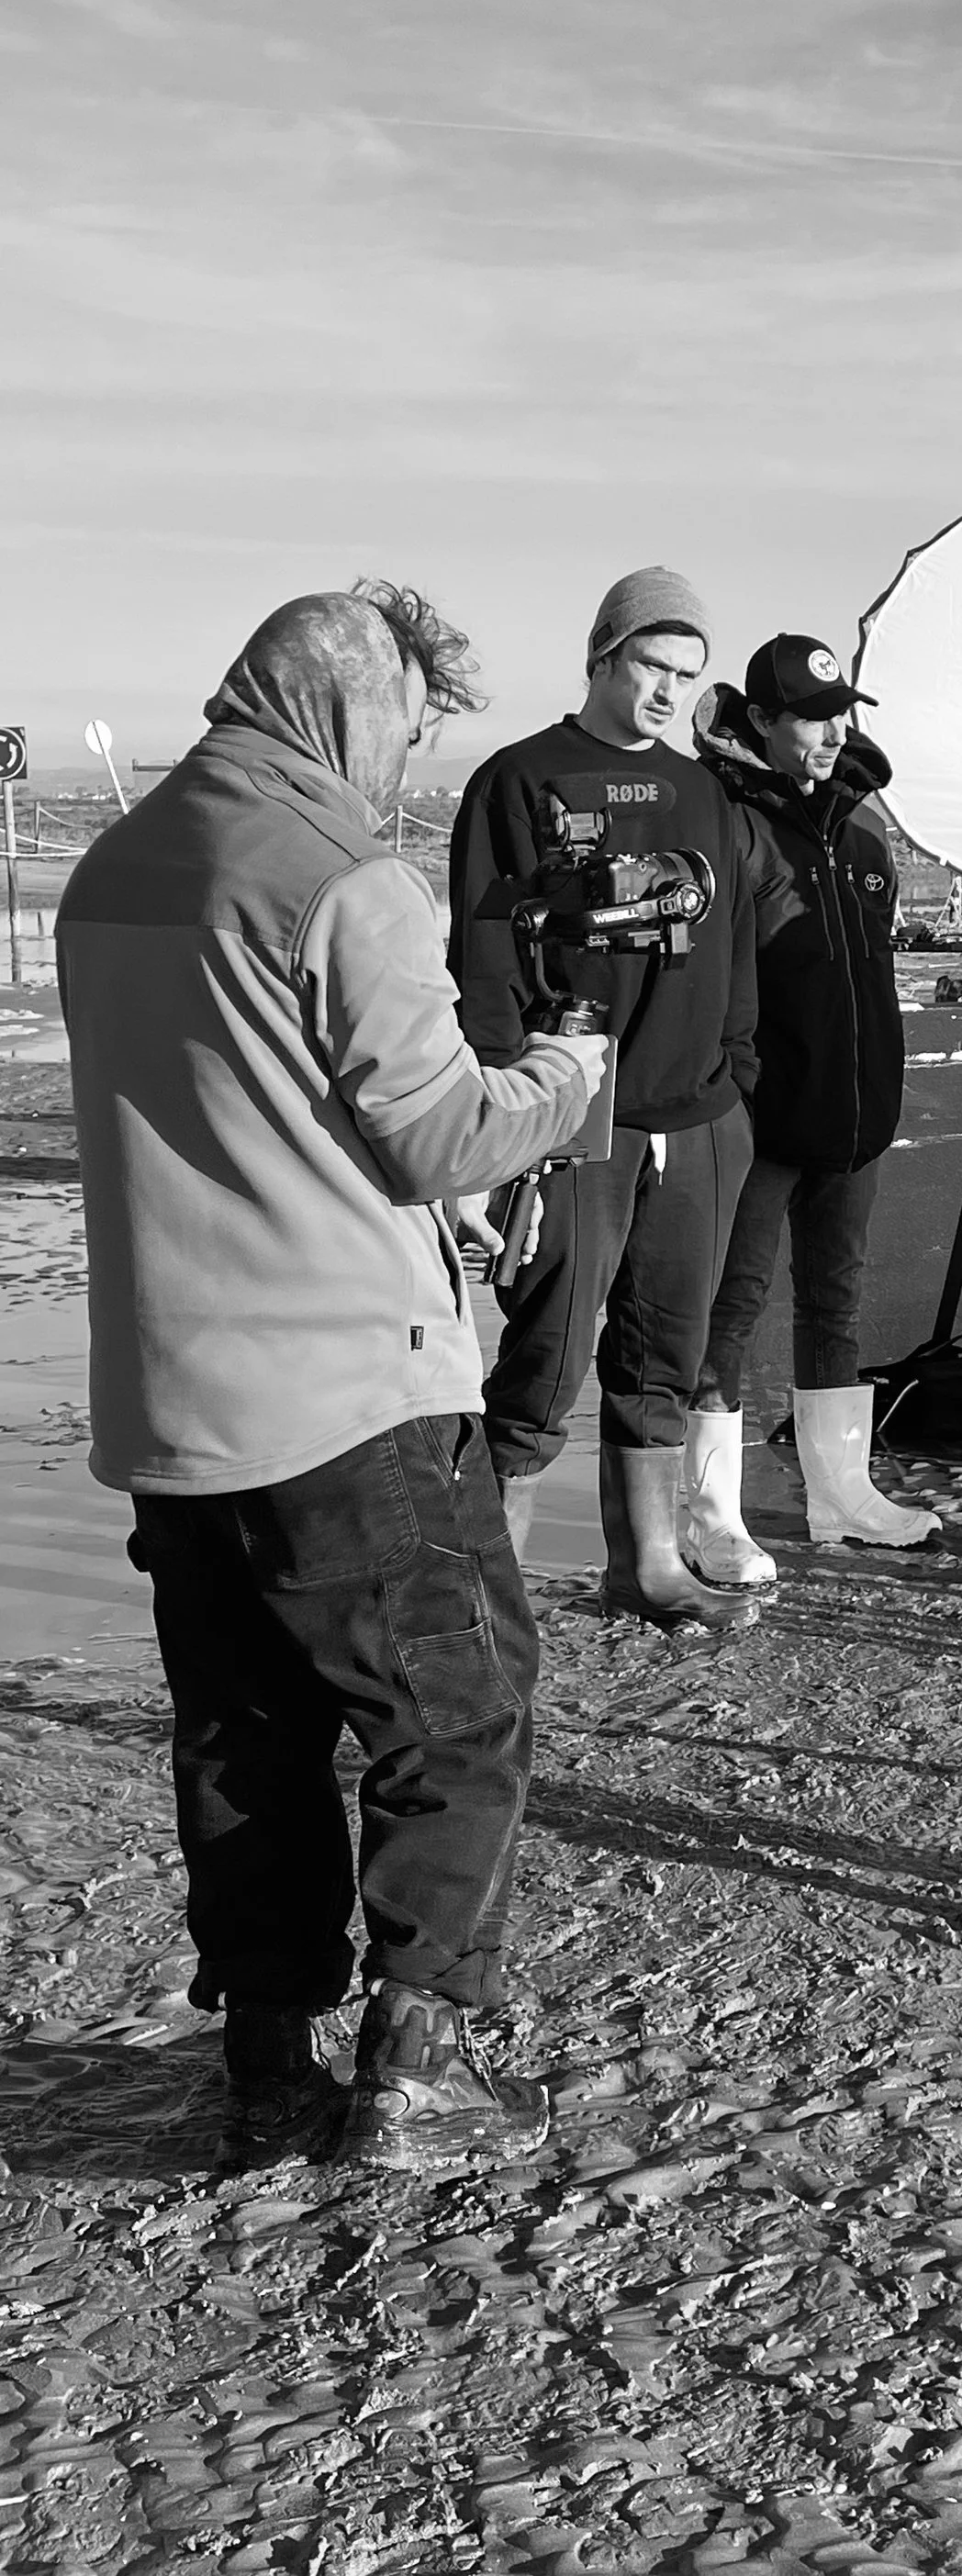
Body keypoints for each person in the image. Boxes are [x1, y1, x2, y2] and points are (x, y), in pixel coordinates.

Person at [59, 587, 609, 2158]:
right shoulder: (342, 878)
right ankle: (420, 2060)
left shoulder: (112, 869)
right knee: (458, 1711)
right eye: (410, 730)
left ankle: (266, 2064)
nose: (406, 771)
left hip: (173, 1399)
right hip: (349, 1395)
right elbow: (437, 1129)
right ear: (351, 704)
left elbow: (255, 1109)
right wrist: (565, 1074)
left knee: (247, 1736)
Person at [449, 568, 761, 1631]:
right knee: (546, 1352)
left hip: (701, 1111)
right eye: (651, 666)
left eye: (688, 674)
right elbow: (484, 959)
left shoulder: (705, 790)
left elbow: (734, 948)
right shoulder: (518, 780)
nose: (670, 691)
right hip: (577, 1111)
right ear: (601, 654)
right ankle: (486, 1596)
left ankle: (649, 1565)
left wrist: (736, 1073)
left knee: (664, 1351)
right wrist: (500, 1109)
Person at [683, 633, 940, 1555]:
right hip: (755, 1125)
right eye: (812, 717)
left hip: (853, 1112)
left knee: (835, 1303)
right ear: (760, 720)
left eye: (842, 715)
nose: (834, 733)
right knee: (730, 1307)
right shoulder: (722, 821)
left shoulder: (863, 824)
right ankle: (709, 1514)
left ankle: (841, 1494)